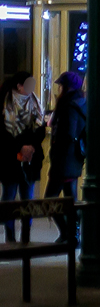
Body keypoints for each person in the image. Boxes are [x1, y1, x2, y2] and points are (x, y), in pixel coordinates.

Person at [2, 70, 46, 242]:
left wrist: (30, 147)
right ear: (19, 86)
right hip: (9, 158)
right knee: (9, 197)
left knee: (28, 198)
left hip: (30, 159)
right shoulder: (5, 103)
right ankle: (10, 237)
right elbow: (3, 133)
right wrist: (20, 147)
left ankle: (26, 237)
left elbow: (41, 129)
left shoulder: (35, 102)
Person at [45, 71, 86, 243]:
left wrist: (56, 148)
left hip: (64, 159)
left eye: (61, 85)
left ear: (67, 87)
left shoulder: (68, 106)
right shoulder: (81, 103)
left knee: (49, 200)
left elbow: (67, 133)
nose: (59, 89)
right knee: (71, 199)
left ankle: (67, 233)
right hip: (74, 158)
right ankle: (73, 235)